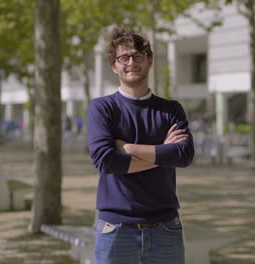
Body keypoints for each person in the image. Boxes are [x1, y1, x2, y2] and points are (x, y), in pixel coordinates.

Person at [87, 26, 194, 264]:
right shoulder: (102, 108)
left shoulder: (171, 109)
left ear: (150, 61)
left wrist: (128, 148)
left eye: (137, 55)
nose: (131, 62)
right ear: (114, 66)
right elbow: (106, 161)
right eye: (123, 57)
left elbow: (184, 155)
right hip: (115, 227)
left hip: (166, 227)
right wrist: (162, 153)